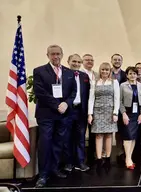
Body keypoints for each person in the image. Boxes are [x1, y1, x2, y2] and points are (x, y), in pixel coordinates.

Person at [33, 45, 76, 188]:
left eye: (58, 54)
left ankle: (55, 168)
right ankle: (43, 175)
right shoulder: (39, 71)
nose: (56, 56)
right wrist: (56, 105)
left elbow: (73, 92)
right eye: (53, 54)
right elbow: (40, 92)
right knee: (45, 143)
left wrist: (66, 103)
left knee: (59, 143)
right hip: (46, 114)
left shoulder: (69, 73)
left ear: (62, 55)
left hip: (63, 114)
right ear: (48, 55)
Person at [88, 62, 120, 170]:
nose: (104, 72)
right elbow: (91, 98)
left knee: (109, 135)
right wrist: (90, 114)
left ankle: (107, 158)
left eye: (107, 70)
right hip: (97, 111)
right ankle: (99, 158)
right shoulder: (94, 82)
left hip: (110, 111)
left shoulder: (114, 82)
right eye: (103, 70)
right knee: (98, 135)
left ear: (109, 71)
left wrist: (115, 112)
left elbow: (117, 98)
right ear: (100, 70)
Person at [63, 54, 90, 172]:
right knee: (67, 137)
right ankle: (68, 163)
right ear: (68, 61)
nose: (77, 64)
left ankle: (80, 162)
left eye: (79, 62)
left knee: (80, 137)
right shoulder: (63, 74)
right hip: (68, 110)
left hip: (81, 110)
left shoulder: (84, 76)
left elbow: (88, 94)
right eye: (74, 61)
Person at [119, 66, 141, 169]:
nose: (132, 75)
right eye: (130, 73)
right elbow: (119, 101)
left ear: (137, 75)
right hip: (127, 113)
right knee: (128, 136)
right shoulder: (123, 85)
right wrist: (123, 113)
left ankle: (129, 158)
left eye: (134, 73)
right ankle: (128, 159)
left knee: (133, 136)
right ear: (127, 75)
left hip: (137, 114)